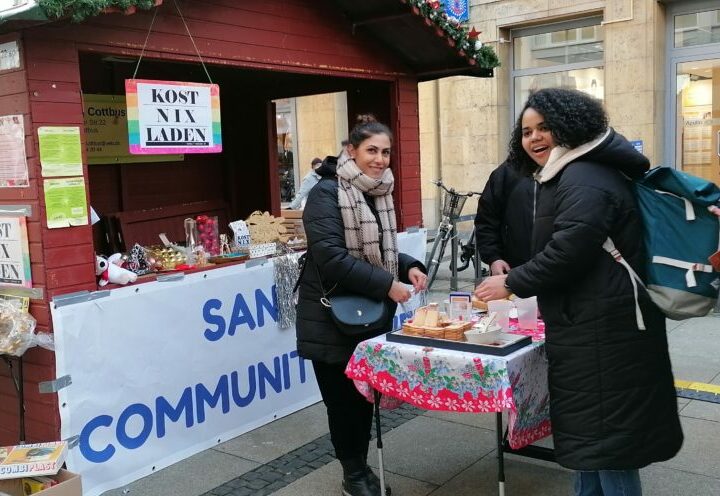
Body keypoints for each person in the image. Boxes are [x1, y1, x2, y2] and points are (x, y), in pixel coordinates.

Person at [475, 88, 683, 496]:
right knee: (595, 443)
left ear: (570, 127)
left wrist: (510, 282)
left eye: (544, 128)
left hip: (604, 332)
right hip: (593, 325)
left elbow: (569, 251)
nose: (533, 138)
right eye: (526, 131)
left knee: (609, 446)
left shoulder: (584, 176)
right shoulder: (579, 171)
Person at [296, 114, 427, 496]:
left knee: (361, 399)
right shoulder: (326, 192)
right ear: (351, 151)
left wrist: (409, 265)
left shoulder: (376, 192)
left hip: (366, 317)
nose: (380, 159)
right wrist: (389, 286)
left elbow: (380, 251)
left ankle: (360, 469)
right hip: (330, 318)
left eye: (386, 152)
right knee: (343, 403)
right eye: (372, 150)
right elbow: (332, 257)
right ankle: (353, 476)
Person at [474, 157, 535, 275]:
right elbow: (486, 220)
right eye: (526, 136)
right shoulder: (505, 172)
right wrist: (494, 258)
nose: (535, 138)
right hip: (513, 269)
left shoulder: (571, 170)